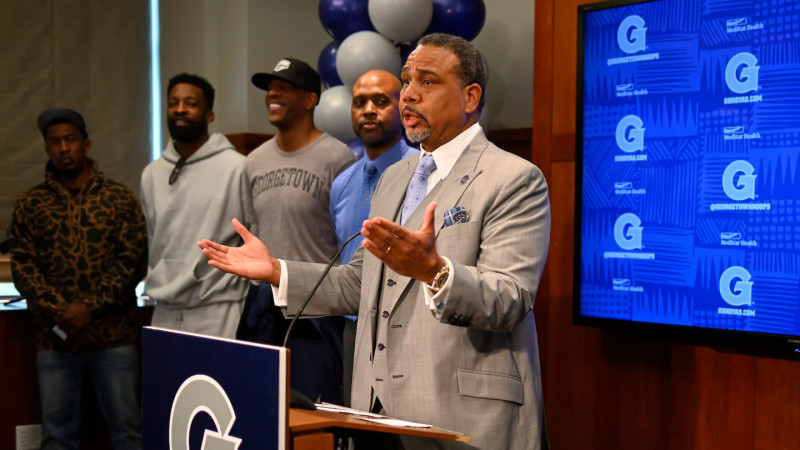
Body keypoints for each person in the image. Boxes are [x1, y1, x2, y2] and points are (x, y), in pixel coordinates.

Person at [199, 33, 550, 449]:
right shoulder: (395, 177)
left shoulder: (513, 178)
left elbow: (509, 298)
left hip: (462, 418)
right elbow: (361, 282)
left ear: (470, 96)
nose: (409, 96)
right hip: (377, 414)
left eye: (428, 82)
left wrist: (434, 271)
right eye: (406, 81)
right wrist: (277, 271)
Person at [10, 108, 146, 450]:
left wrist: (88, 308)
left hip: (114, 337)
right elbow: (24, 267)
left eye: (70, 139)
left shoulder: (118, 199)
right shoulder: (31, 204)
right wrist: (65, 313)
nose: (63, 148)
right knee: (57, 437)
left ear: (86, 143)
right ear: (46, 148)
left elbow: (132, 261)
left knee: (128, 433)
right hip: (56, 342)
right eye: (54, 142)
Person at [241, 58, 356, 404]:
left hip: (315, 311)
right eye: (270, 88)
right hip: (263, 307)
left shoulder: (337, 158)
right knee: (258, 409)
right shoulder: (254, 161)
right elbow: (251, 229)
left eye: (284, 88)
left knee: (311, 414)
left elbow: (345, 239)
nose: (273, 94)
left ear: (310, 99)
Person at [330, 69, 418, 405]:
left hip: (404, 326)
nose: (368, 109)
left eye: (381, 101)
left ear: (402, 108)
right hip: (353, 326)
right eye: (359, 102)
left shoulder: (424, 172)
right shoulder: (341, 184)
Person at [140, 73, 250, 338]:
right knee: (166, 381)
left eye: (190, 103)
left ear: (209, 114)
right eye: (173, 102)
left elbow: (252, 237)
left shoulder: (237, 168)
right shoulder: (152, 173)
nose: (180, 109)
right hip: (164, 308)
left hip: (218, 308)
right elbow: (155, 239)